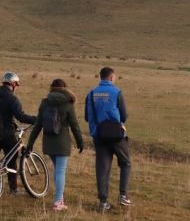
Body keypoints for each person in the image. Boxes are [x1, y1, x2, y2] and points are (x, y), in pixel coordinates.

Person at [26, 79, 84, 212]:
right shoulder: (68, 103)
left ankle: (60, 199)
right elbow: (75, 125)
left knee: (58, 170)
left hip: (48, 142)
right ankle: (58, 203)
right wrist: (80, 142)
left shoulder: (45, 102)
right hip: (62, 142)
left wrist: (30, 143)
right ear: (65, 88)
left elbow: (38, 125)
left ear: (51, 88)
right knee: (60, 171)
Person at [85, 67, 132, 212]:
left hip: (99, 135)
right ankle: (123, 196)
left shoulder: (91, 93)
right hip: (117, 136)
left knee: (102, 169)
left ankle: (103, 202)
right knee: (125, 163)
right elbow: (124, 115)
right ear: (112, 77)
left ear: (100, 77)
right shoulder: (117, 92)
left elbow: (87, 117)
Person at [0, 72, 37, 195]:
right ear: (13, 84)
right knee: (12, 160)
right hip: (7, 133)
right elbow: (21, 116)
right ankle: (14, 189)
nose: (16, 87)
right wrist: (36, 120)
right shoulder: (12, 98)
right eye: (16, 84)